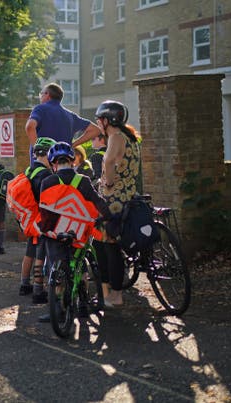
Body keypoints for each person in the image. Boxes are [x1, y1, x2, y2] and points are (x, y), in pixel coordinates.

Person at [37, 142, 111, 321]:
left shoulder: (47, 181)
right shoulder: (83, 181)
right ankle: (83, 304)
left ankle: (59, 309)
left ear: (54, 164)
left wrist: (43, 230)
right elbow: (98, 202)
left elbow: (44, 212)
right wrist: (108, 216)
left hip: (57, 234)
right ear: (72, 161)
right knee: (80, 264)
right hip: (79, 232)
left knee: (57, 267)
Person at [94, 100, 141, 307]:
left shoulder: (115, 137)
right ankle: (112, 291)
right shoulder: (130, 137)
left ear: (107, 120)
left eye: (99, 119)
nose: (97, 122)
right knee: (111, 246)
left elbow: (109, 162)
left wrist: (108, 183)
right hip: (129, 195)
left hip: (114, 200)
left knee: (108, 247)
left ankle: (115, 294)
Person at [18, 137, 55, 298]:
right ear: (47, 154)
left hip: (29, 218)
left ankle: (24, 284)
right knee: (40, 255)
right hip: (40, 219)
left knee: (29, 252)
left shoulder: (29, 170)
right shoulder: (45, 174)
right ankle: (38, 290)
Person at [25, 82, 101, 151]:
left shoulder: (40, 109)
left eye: (41, 94)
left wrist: (37, 149)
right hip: (64, 160)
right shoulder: (71, 116)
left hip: (43, 161)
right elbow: (96, 130)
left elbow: (30, 127)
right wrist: (72, 145)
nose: (40, 97)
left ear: (47, 94)